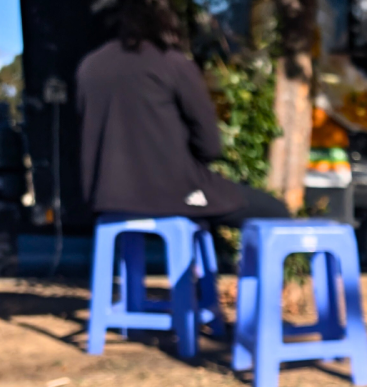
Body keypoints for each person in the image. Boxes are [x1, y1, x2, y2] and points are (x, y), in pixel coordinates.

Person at [76, 0, 288, 227]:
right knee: (275, 210)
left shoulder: (89, 67)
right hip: (174, 195)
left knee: (201, 222)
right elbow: (210, 146)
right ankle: (206, 261)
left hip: (108, 200)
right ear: (165, 21)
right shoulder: (173, 64)